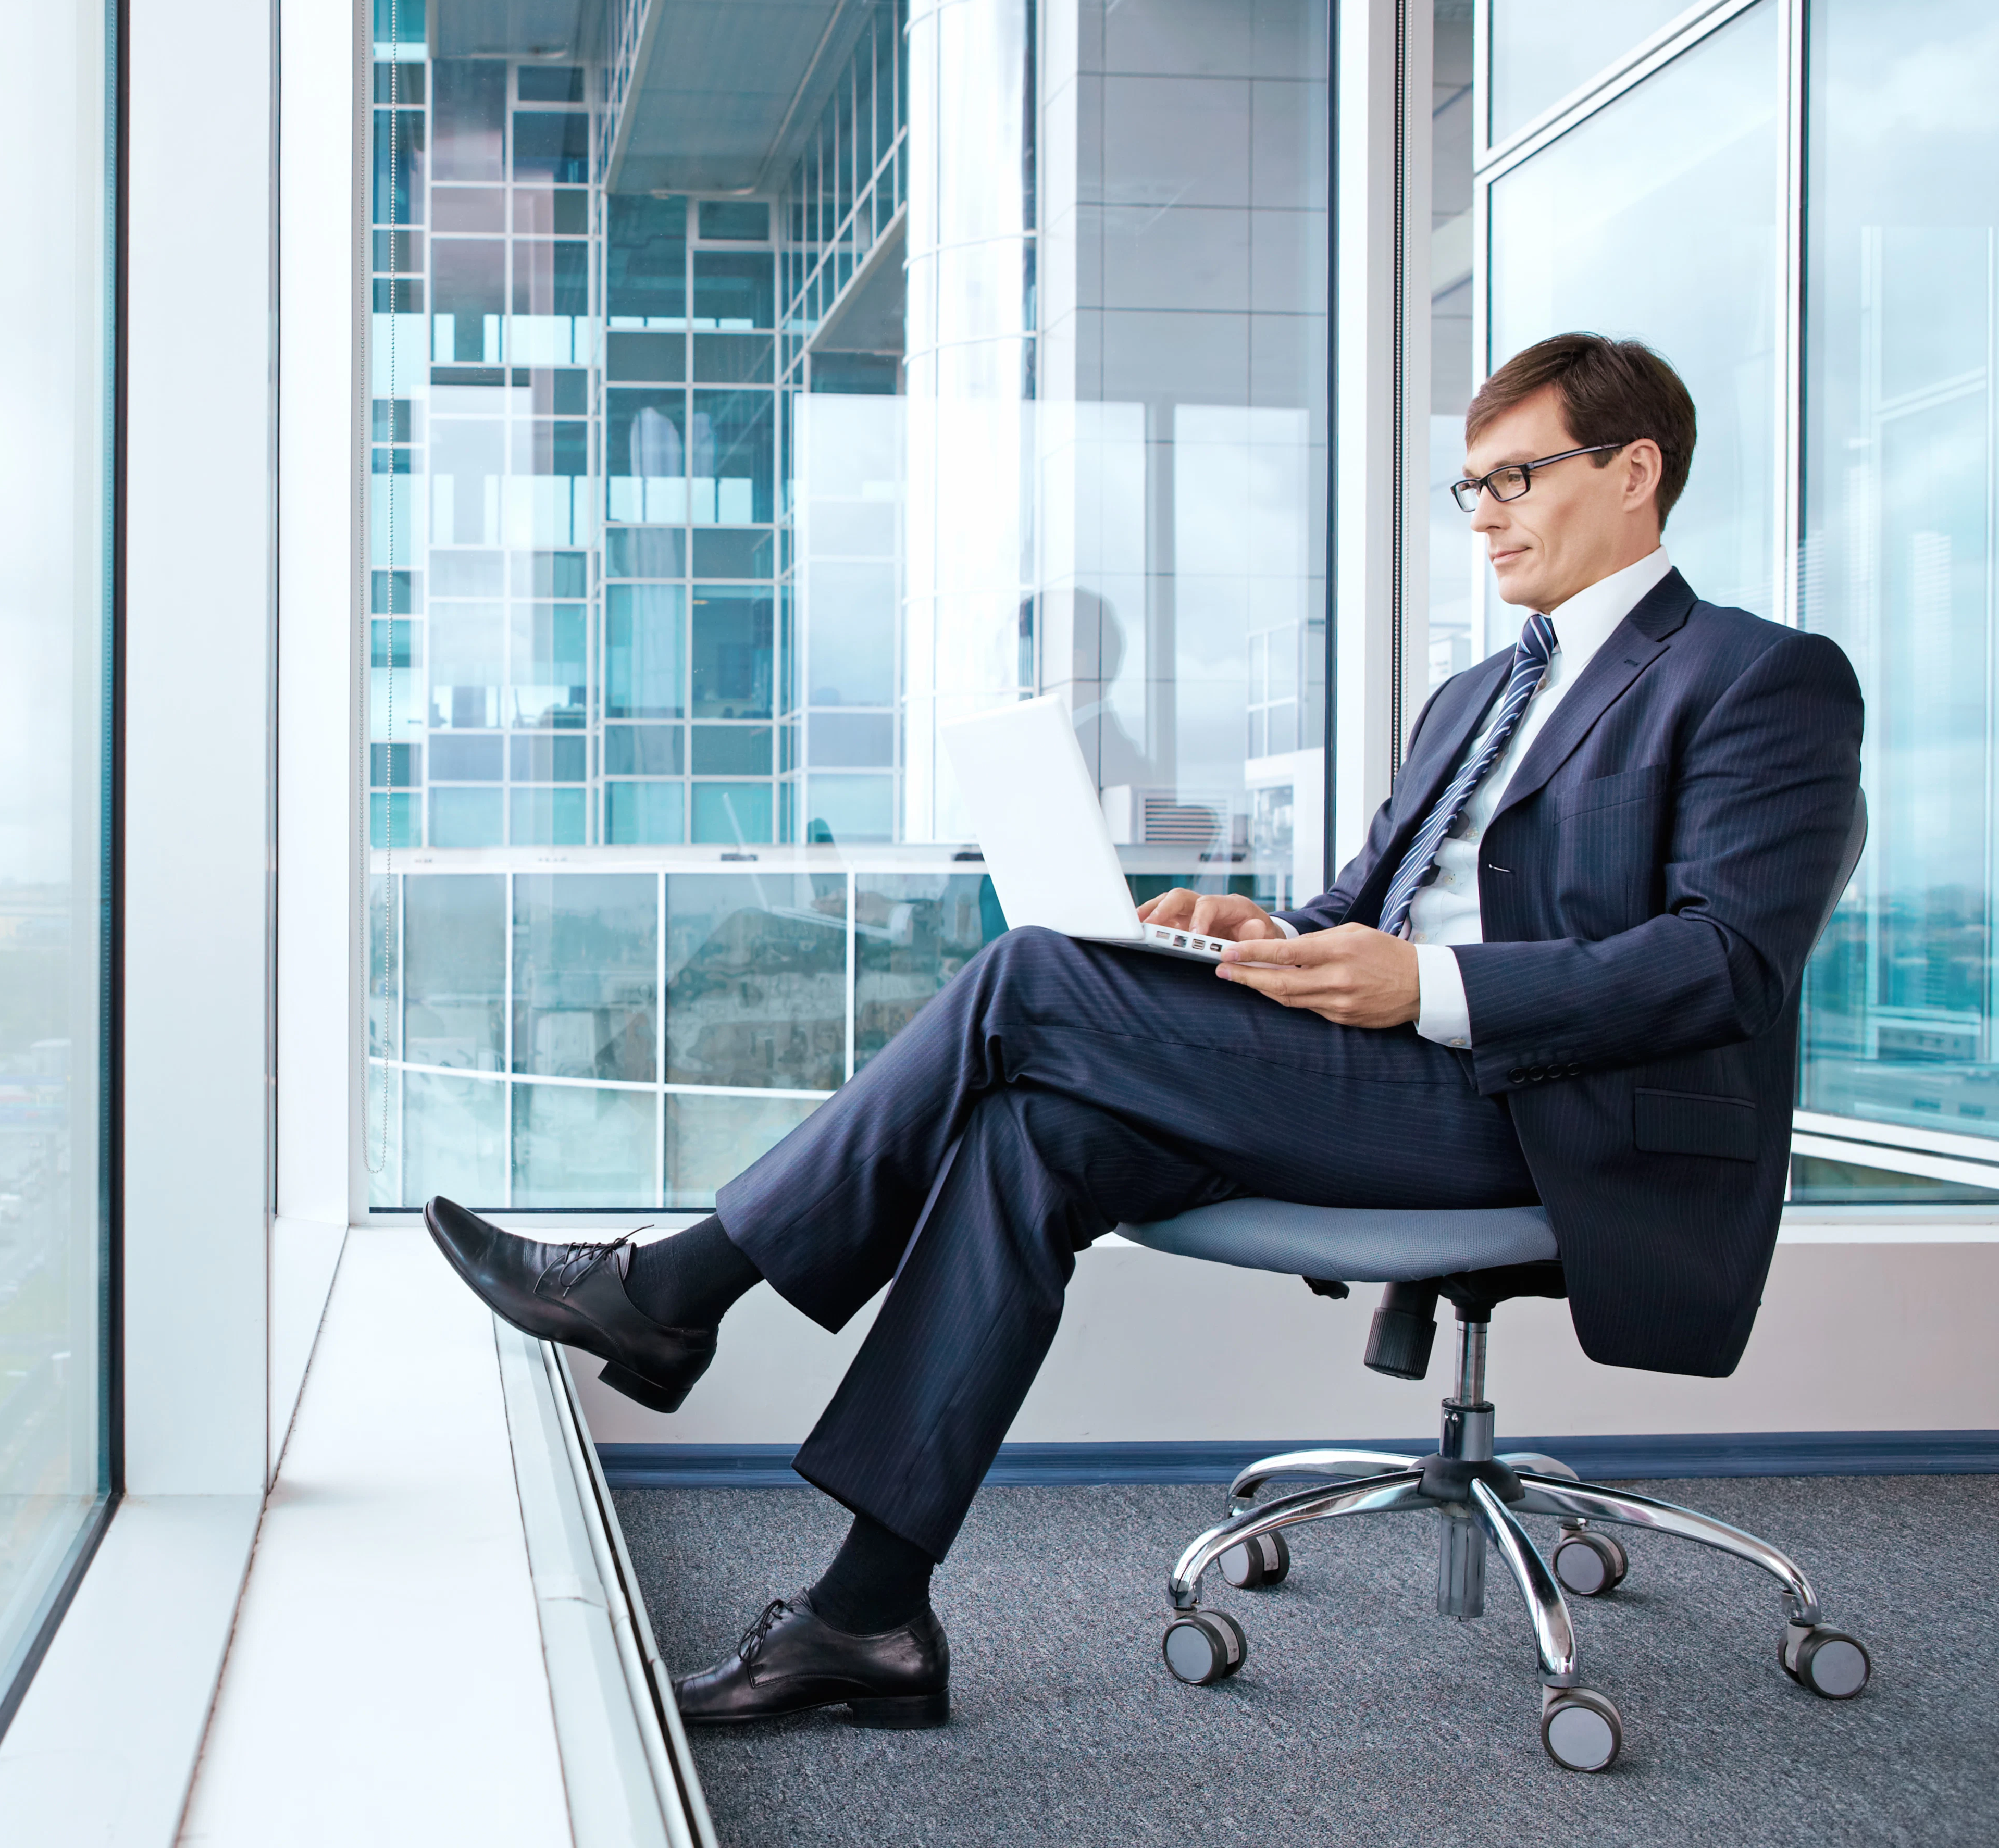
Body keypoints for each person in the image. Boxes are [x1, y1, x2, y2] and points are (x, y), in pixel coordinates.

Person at [428, 333, 1864, 1729]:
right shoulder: (1475, 696)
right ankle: (868, 1617)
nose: (1484, 515)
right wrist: (1267, 934)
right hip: (1387, 1074)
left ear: (1634, 472)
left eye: (1517, 478)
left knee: (1030, 980)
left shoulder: (1758, 677)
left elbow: (1726, 964)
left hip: (1550, 1114)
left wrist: (1426, 990)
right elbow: (1368, 907)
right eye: (1470, 485)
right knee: (1035, 1131)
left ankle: (679, 1286)